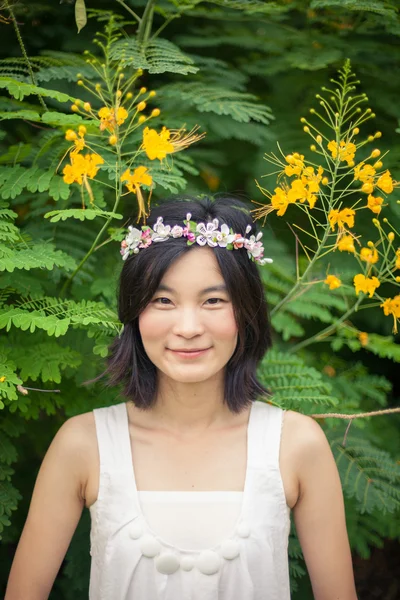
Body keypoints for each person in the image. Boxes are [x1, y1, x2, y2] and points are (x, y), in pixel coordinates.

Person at [5, 196, 358, 600]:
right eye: (163, 300)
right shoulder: (83, 444)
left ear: (246, 312)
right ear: (134, 314)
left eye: (213, 301)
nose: (188, 327)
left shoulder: (296, 444)